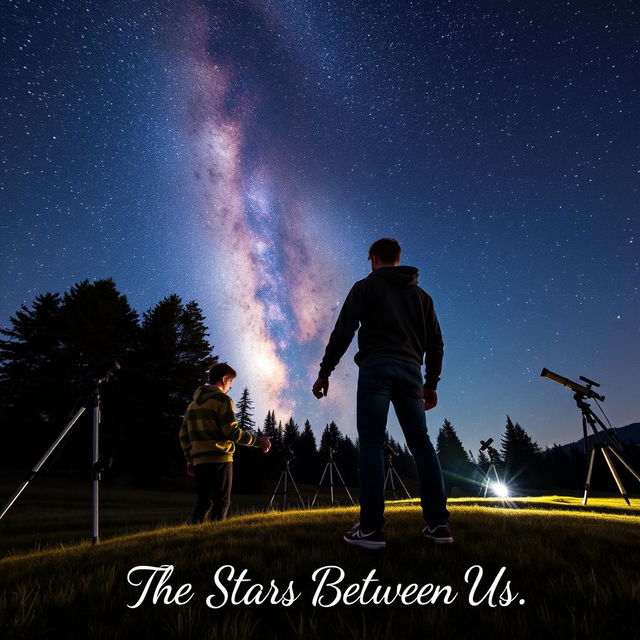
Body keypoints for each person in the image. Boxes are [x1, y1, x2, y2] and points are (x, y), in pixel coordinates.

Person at [312, 238, 451, 549]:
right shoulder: (422, 296)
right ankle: (439, 525)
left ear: (373, 258)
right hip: (412, 372)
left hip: (376, 368)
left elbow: (344, 330)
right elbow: (437, 344)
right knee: (422, 444)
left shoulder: (365, 287)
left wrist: (325, 372)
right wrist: (432, 383)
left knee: (372, 443)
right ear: (398, 259)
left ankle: (372, 528)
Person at [180, 362, 271, 523]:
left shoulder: (192, 405)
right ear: (224, 379)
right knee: (221, 503)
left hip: (200, 462)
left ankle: (193, 538)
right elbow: (232, 432)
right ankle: (216, 540)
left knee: (203, 502)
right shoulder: (223, 400)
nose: (230, 387)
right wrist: (259, 442)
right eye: (230, 382)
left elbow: (183, 435)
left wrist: (190, 459)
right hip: (219, 460)